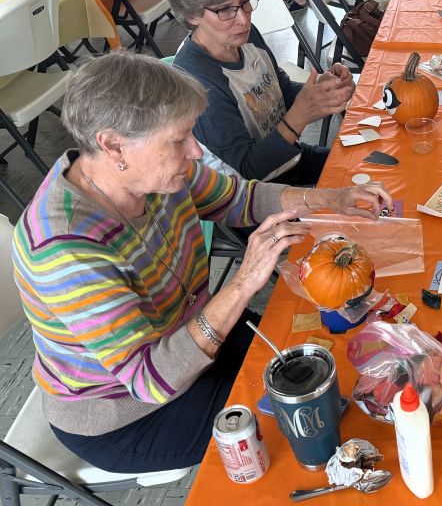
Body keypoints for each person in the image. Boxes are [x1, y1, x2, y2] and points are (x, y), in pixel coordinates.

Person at [12, 53, 391, 473]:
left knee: (324, 373)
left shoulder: (152, 172)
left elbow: (240, 198)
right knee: (305, 423)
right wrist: (243, 283)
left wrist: (329, 199)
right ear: (113, 145)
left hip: (194, 336)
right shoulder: (64, 248)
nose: (195, 151)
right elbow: (151, 379)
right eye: (179, 140)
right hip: (130, 412)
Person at [170, 0, 353, 186]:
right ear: (192, 15)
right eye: (225, 10)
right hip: (252, 195)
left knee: (374, 171)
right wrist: (299, 117)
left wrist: (322, 91)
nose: (243, 19)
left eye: (245, 1)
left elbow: (279, 90)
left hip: (288, 164)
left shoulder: (245, 37)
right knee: (377, 201)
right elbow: (249, 170)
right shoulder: (197, 82)